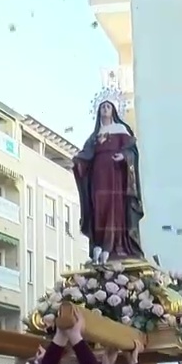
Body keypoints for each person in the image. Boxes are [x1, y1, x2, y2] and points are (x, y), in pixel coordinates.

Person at [73, 100, 144, 265]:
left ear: (113, 111)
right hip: (98, 177)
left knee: (115, 208)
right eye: (103, 107)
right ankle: (99, 244)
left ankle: (113, 245)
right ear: (99, 112)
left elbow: (132, 151)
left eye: (108, 107)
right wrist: (78, 163)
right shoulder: (94, 137)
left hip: (115, 175)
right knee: (99, 208)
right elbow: (86, 156)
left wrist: (124, 157)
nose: (105, 109)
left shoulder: (121, 130)